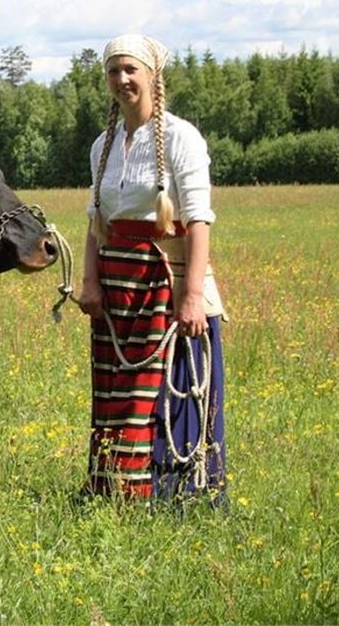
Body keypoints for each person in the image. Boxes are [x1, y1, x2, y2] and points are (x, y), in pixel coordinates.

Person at [77, 34, 227, 501]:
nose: (121, 79)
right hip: (116, 289)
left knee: (170, 390)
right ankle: (113, 491)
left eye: (130, 70)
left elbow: (198, 220)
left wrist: (193, 297)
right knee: (116, 393)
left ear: (152, 76)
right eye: (113, 71)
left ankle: (172, 495)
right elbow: (94, 221)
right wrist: (89, 283)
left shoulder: (181, 137)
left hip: (166, 286)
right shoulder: (102, 145)